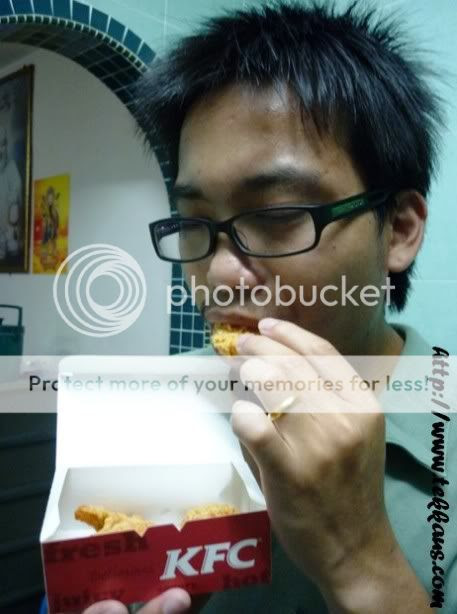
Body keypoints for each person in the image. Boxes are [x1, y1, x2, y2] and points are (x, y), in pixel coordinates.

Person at [80, 2, 455, 613]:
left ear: (399, 230)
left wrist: (360, 562)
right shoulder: (149, 408)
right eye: (195, 222)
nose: (219, 276)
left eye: (279, 216)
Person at [0, 123, 22, 261]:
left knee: (13, 249)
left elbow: (16, 186)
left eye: (2, 145)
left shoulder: (10, 166)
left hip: (8, 218)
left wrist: (13, 203)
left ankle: (9, 239)